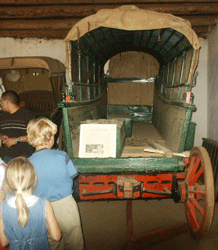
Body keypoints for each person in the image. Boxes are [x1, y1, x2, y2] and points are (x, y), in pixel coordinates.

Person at [27, 117, 84, 250]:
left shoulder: (28, 163)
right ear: (50, 137)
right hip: (66, 206)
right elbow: (73, 175)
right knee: (74, 242)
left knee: (53, 243)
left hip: (42, 209)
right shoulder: (62, 156)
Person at [0, 156, 61, 249]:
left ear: (8, 181)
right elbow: (56, 236)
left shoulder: (2, 207)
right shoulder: (44, 204)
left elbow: (4, 242)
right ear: (34, 178)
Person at [0, 91, 35, 163]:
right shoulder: (2, 117)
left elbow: (35, 136)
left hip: (23, 157)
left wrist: (17, 140)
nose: (0, 104)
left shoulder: (27, 115)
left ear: (6, 101)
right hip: (4, 157)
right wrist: (1, 136)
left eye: (1, 101)